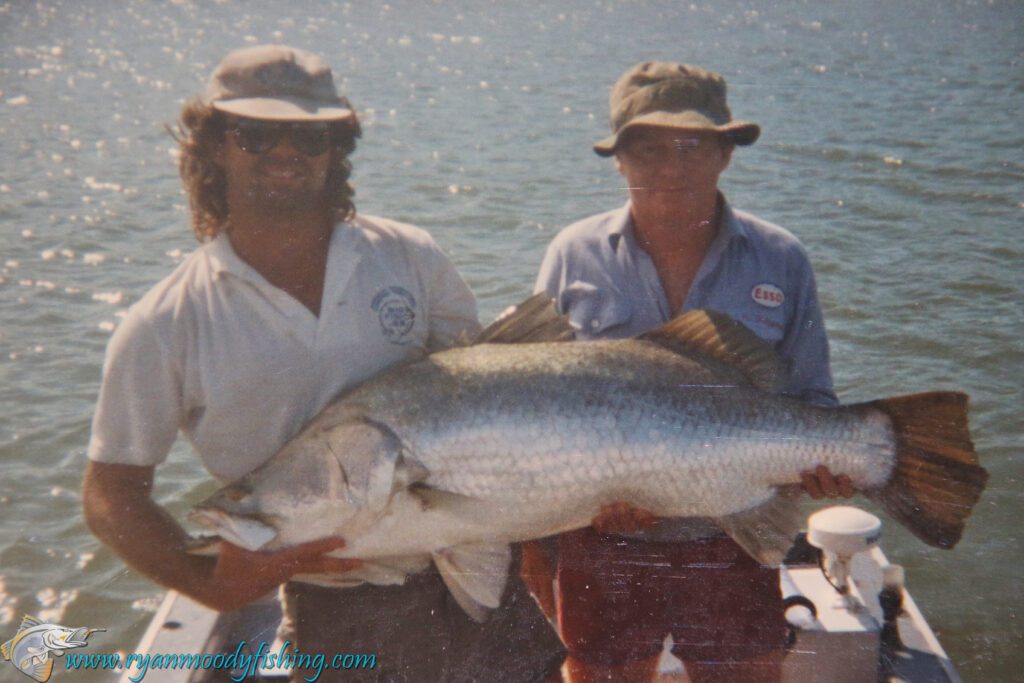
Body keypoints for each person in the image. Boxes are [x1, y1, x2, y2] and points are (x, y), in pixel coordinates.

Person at [82, 45, 563, 682]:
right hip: (346, 605)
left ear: (336, 148)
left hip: (495, 570)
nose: (285, 152)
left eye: (309, 137)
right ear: (215, 146)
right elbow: (110, 493)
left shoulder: (411, 257)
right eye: (255, 134)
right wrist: (208, 582)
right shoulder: (167, 323)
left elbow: (492, 389)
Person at [525, 61, 853, 682]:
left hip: (734, 533)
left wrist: (821, 462)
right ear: (617, 159)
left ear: (726, 153)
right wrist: (561, 525)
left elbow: (813, 396)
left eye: (691, 146)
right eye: (647, 149)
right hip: (603, 537)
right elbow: (538, 401)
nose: (670, 167)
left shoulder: (780, 257)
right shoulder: (572, 253)